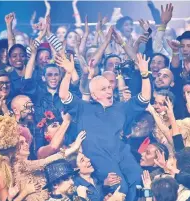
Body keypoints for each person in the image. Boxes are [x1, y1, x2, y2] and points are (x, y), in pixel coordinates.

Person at [58, 53, 151, 201]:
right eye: (103, 89)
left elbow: (145, 98)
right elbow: (63, 95)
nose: (109, 91)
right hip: (99, 156)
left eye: (109, 87)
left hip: (121, 153)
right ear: (94, 95)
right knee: (120, 187)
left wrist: (145, 75)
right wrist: (68, 73)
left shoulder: (121, 107)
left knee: (137, 179)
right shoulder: (83, 107)